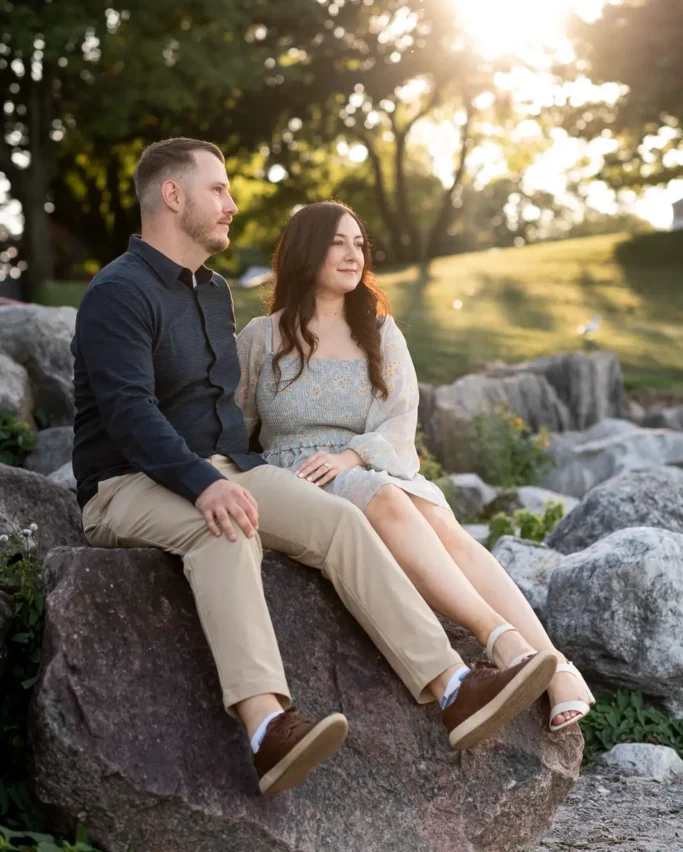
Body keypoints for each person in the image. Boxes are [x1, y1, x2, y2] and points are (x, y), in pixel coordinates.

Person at [71, 140, 558, 798]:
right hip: (125, 484)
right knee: (224, 530)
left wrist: (236, 472)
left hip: (218, 468)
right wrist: (207, 484)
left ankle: (451, 687)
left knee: (338, 521)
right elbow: (129, 413)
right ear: (173, 196)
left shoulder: (212, 294)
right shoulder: (117, 292)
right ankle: (266, 726)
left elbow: (225, 412)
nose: (232, 205)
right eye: (217, 190)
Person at [236, 200, 594, 733]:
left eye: (359, 244)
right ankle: (502, 640)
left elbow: (401, 421)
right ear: (306, 250)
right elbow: (231, 427)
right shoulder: (261, 338)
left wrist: (353, 455)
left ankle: (556, 665)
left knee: (444, 526)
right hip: (299, 479)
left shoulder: (380, 331)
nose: (352, 254)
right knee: (386, 498)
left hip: (371, 464)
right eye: (338, 242)